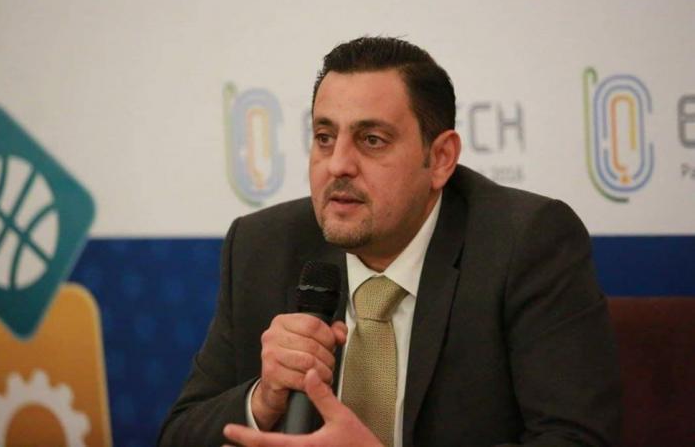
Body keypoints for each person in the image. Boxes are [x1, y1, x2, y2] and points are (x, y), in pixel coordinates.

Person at [158, 37, 622, 447]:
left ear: (440, 158)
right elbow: (178, 434)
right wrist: (263, 399)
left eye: (372, 140)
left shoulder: (526, 242)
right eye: (324, 137)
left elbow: (576, 439)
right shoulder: (263, 246)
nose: (338, 164)